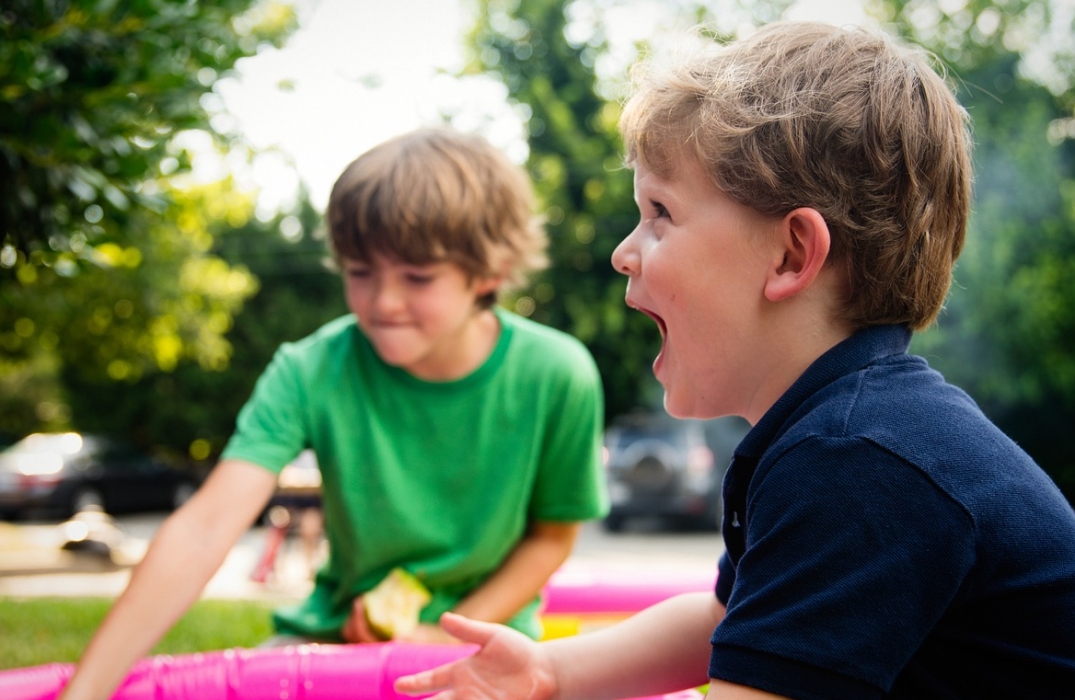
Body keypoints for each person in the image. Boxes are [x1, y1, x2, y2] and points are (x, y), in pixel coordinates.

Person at [395, 21, 1075, 700]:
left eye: (659, 212)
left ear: (789, 255)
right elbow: (725, 622)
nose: (622, 252)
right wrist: (551, 673)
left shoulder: (858, 460)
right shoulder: (842, 432)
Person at [57, 127, 609, 700]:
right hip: (332, 641)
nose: (383, 302)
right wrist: (87, 692)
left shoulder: (557, 373)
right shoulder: (309, 369)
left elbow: (551, 536)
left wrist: (441, 636)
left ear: (489, 273)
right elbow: (205, 527)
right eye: (359, 272)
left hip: (488, 648)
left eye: (417, 277)